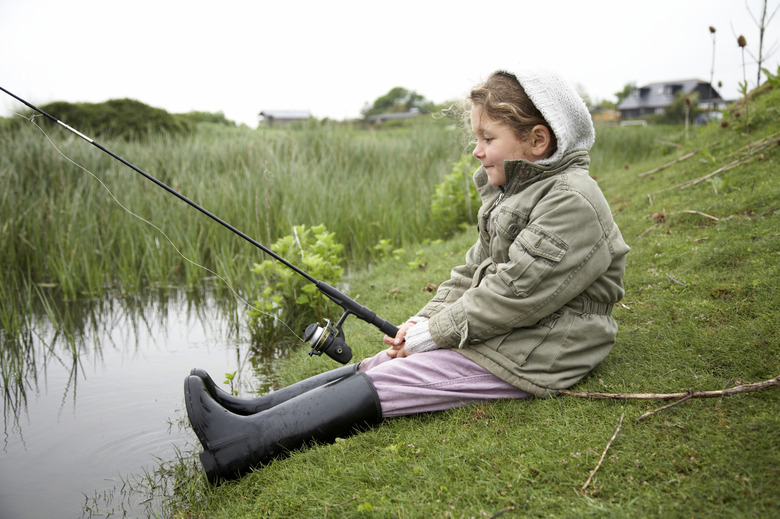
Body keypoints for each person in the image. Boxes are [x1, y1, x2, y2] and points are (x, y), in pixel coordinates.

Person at [184, 68, 630, 484]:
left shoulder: (571, 201)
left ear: (537, 140)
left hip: (545, 348)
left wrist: (436, 335)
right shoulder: (515, 192)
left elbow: (514, 293)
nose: (476, 150)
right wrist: (423, 322)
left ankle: (239, 446)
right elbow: (472, 271)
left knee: (395, 380)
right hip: (519, 332)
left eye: (487, 138)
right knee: (384, 362)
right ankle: (254, 411)